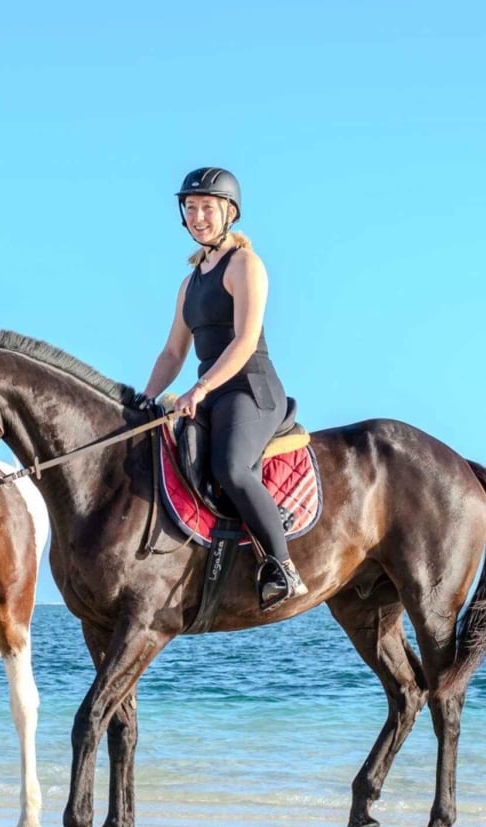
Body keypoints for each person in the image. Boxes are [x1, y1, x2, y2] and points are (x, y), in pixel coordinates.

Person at [142, 167, 308, 611]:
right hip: (211, 391)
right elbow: (173, 354)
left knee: (231, 466)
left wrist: (199, 388)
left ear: (230, 213)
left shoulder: (245, 266)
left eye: (208, 209)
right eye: (191, 208)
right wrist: (144, 398)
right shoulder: (189, 283)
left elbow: (245, 340)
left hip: (251, 388)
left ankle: (282, 566)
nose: (198, 217)